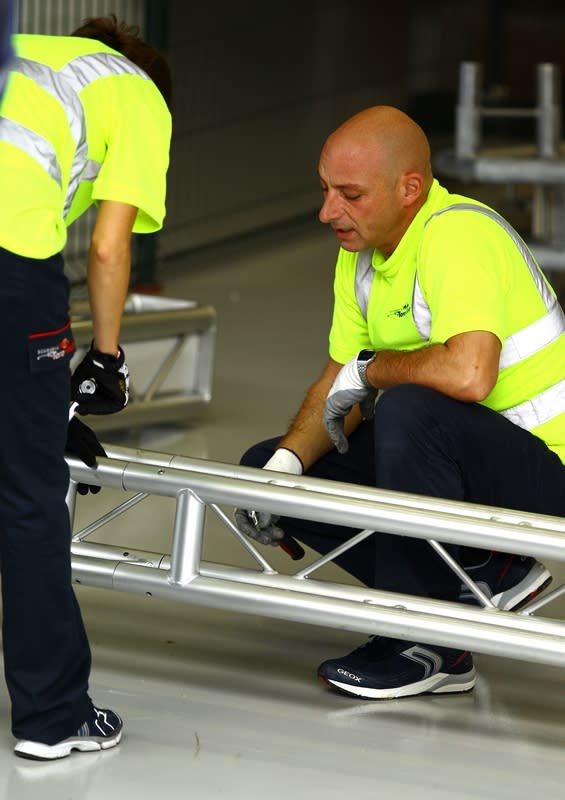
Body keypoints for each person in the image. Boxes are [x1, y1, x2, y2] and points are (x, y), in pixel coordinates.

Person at [235, 105, 565, 701]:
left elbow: (469, 375)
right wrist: (278, 476)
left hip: (548, 470)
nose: (327, 211)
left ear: (408, 188)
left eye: (350, 194)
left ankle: (426, 639)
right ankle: (484, 573)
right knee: (276, 465)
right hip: (473, 464)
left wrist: (375, 370)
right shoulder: (359, 255)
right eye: (325, 190)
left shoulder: (460, 234)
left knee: (409, 409)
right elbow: (339, 379)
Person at [0, 16, 172, 759]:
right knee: (29, 494)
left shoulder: (31, 57)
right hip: (10, 268)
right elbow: (107, 246)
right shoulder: (140, 96)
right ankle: (53, 716)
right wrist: (104, 357)